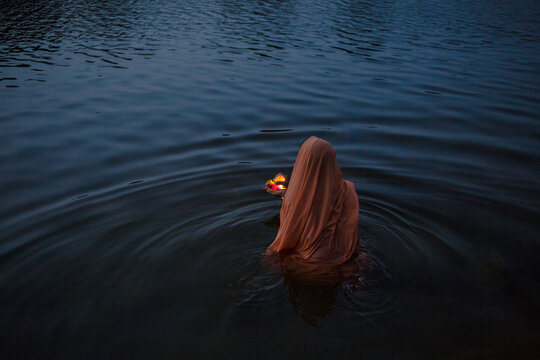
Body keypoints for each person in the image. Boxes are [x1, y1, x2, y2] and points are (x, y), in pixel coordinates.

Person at [265, 136, 361, 282]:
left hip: (306, 268)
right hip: (341, 262)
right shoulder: (347, 190)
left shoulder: (294, 198)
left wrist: (286, 197)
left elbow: (291, 227)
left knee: (270, 259)